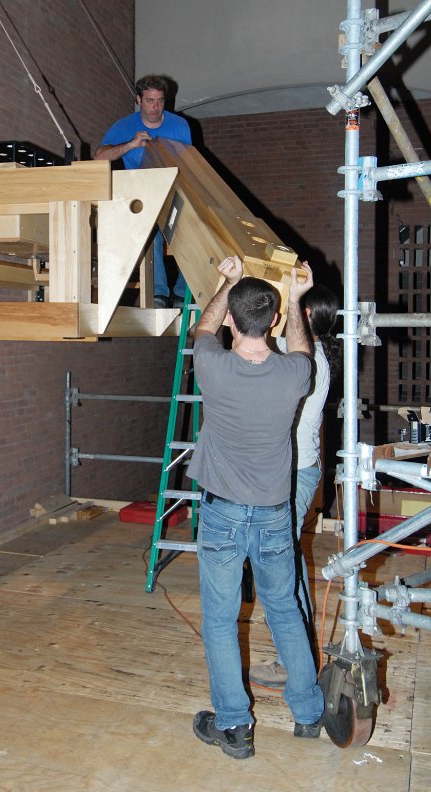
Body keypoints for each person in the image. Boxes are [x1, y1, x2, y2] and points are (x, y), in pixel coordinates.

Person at [187, 255, 324, 760]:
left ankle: (234, 728)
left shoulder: (212, 364)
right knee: (285, 611)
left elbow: (203, 325)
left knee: (222, 620)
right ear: (273, 320)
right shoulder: (294, 374)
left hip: (222, 514)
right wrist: (298, 299)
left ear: (230, 320)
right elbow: (301, 350)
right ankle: (309, 713)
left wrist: (225, 279)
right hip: (273, 514)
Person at [249, 285, 341, 689]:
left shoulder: (303, 359)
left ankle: (294, 663)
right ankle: (301, 654)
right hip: (296, 470)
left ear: (304, 318)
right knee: (287, 564)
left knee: (278, 571)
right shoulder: (309, 355)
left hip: (291, 473)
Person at [95, 74, 191, 309]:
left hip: (173, 191)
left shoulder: (179, 126)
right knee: (152, 237)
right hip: (141, 196)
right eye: (150, 101)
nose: (156, 107)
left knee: (191, 233)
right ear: (138, 100)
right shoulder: (124, 126)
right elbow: (99, 157)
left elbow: (190, 164)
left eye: (160, 101)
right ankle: (158, 294)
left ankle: (181, 294)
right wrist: (131, 144)